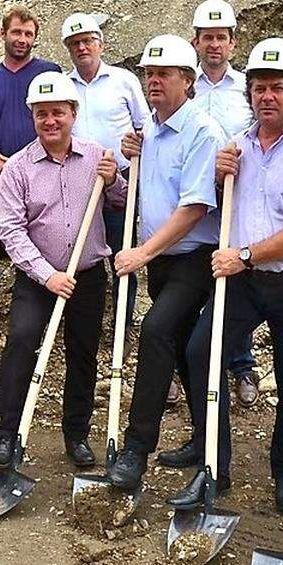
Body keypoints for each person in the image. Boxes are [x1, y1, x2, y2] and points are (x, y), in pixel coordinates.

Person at [166, 39, 283, 513]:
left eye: (277, 88)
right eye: (259, 88)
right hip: (245, 281)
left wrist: (243, 255)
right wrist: (222, 180)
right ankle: (213, 468)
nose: (267, 96)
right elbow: (222, 211)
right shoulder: (236, 149)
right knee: (202, 352)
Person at [100, 34, 224, 489]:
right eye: (149, 74)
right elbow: (144, 191)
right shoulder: (148, 131)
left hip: (194, 258)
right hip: (161, 261)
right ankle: (204, 440)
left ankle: (136, 449)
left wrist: (141, 253)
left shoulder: (201, 132)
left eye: (163, 74)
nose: (153, 81)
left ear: (187, 81)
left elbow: (193, 208)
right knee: (188, 353)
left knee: (155, 331)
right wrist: (124, 166)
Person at [0, 71, 126, 469]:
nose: (50, 121)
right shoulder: (17, 168)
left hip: (88, 274)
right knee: (21, 344)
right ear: (32, 116)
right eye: (42, 113)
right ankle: (8, 435)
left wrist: (114, 179)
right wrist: (47, 275)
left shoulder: (97, 157)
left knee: (82, 355)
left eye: (58, 113)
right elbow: (10, 232)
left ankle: (76, 435)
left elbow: (123, 201)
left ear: (73, 113)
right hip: (38, 279)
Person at [0, 5, 61, 360]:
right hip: (1, 174)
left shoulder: (48, 73)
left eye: (28, 34)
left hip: (45, 170)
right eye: (16, 33)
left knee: (46, 239)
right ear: (3, 34)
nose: (21, 40)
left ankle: (48, 311)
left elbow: (59, 120)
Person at [190, 0, 259, 408]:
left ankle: (241, 363)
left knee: (235, 273)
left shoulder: (247, 87)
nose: (214, 45)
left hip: (240, 193)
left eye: (221, 38)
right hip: (197, 196)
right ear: (195, 42)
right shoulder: (187, 85)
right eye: (207, 38)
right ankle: (195, 361)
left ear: (233, 42)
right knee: (198, 270)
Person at [61, 12, 148, 328]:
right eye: (74, 43)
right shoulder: (64, 85)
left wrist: (136, 146)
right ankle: (86, 319)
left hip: (120, 180)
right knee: (83, 251)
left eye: (87, 41)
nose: (82, 48)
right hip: (76, 183)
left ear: (100, 43)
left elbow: (144, 125)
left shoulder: (123, 81)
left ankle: (123, 322)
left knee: (122, 251)